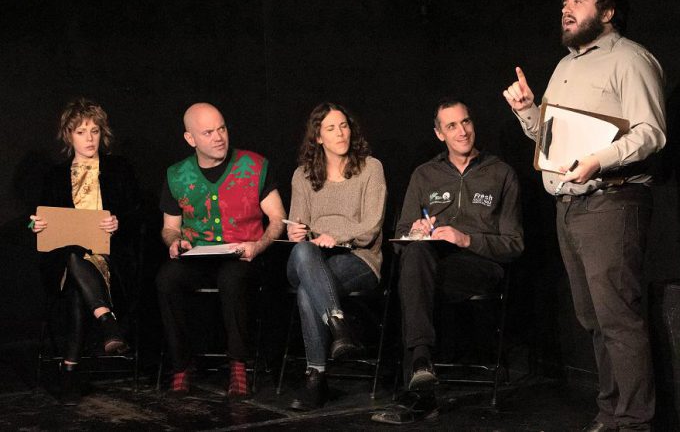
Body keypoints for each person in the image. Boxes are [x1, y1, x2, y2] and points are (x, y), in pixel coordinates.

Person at [503, 0, 666, 432]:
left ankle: (635, 421)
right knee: (593, 319)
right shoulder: (564, 66)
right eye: (563, 3)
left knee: (618, 319)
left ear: (608, 11)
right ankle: (611, 409)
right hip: (569, 207)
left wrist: (599, 159)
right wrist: (527, 111)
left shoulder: (630, 60)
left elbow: (651, 133)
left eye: (578, 0)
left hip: (613, 201)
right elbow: (549, 142)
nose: (566, 9)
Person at [372, 98, 523, 425]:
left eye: (466, 122)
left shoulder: (501, 173)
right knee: (414, 255)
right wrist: (415, 231)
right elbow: (398, 237)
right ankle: (422, 365)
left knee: (412, 283)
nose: (462, 131)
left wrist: (465, 238)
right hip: (429, 262)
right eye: (452, 125)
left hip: (478, 266)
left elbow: (514, 244)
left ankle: (420, 382)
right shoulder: (424, 175)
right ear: (439, 133)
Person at [156, 102, 286, 398]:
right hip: (198, 256)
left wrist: (259, 244)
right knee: (166, 280)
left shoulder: (254, 165)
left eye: (222, 128)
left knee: (232, 278)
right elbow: (170, 227)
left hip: (242, 254)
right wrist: (174, 242)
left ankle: (238, 366)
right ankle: (181, 366)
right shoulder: (177, 174)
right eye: (208, 132)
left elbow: (278, 217)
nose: (219, 137)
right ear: (191, 139)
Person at [30, 98, 139, 405]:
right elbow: (36, 222)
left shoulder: (118, 168)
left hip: (111, 259)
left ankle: (69, 371)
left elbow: (137, 215)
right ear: (69, 135)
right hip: (64, 264)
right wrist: (35, 226)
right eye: (81, 132)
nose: (89, 138)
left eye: (94, 130)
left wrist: (118, 222)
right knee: (75, 255)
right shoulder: (55, 175)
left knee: (80, 283)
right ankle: (107, 321)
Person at [285, 102, 387, 411]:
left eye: (344, 126)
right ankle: (338, 325)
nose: (340, 133)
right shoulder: (302, 176)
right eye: (331, 128)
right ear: (318, 136)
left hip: (358, 258)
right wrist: (298, 233)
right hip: (309, 256)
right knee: (303, 251)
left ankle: (316, 377)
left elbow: (371, 228)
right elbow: (297, 223)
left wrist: (337, 237)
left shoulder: (371, 168)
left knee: (307, 289)